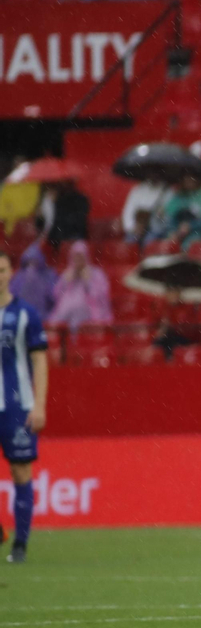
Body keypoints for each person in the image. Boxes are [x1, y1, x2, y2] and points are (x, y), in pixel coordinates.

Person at [0, 251, 49, 563]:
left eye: (1, 269)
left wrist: (40, 404)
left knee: (20, 470)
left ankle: (20, 545)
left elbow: (40, 360)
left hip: (17, 405)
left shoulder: (26, 314)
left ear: (10, 273)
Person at [48, 241, 112, 330]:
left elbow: (102, 297)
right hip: (65, 310)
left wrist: (88, 283)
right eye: (75, 257)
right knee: (60, 317)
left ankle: (73, 339)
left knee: (77, 311)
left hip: (90, 310)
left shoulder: (96, 273)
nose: (78, 260)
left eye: (80, 257)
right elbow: (55, 297)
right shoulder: (67, 274)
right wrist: (65, 283)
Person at [11, 245, 57, 317]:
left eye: (35, 263)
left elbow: (53, 296)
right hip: (20, 314)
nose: (31, 267)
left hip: (42, 314)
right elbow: (12, 295)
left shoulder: (48, 275)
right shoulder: (19, 276)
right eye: (28, 263)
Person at [40, 182, 91, 247]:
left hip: (69, 238)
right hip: (60, 238)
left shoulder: (63, 201)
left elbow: (76, 220)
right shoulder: (52, 201)